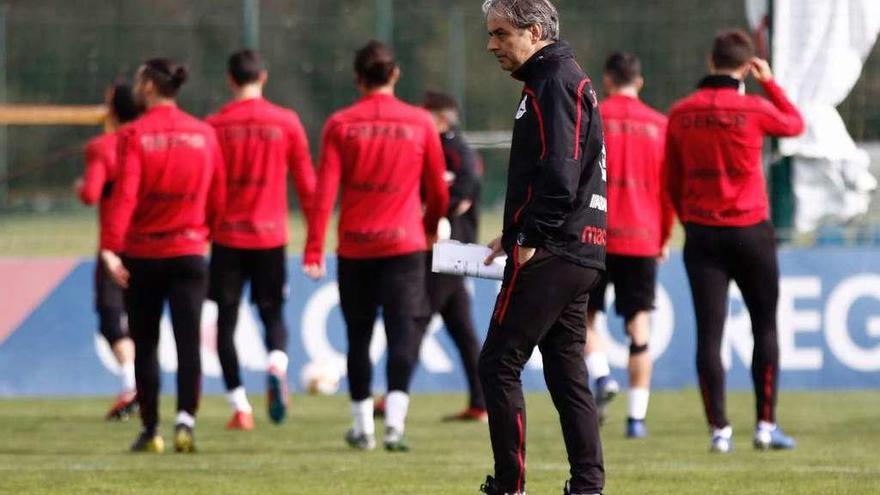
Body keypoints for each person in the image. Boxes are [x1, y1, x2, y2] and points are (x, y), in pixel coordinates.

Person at [478, 1, 606, 493]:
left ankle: (509, 486)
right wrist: (511, 232)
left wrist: (530, 237)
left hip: (554, 247)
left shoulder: (553, 81)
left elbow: (559, 172)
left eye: (500, 34)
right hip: (581, 246)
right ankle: (588, 485)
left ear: (534, 32)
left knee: (499, 363)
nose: (492, 45)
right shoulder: (559, 78)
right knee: (566, 371)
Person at [303, 40, 449, 452]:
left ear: (357, 78)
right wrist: (429, 226)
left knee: (358, 337)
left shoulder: (340, 124)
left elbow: (323, 194)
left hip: (356, 248)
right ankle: (395, 426)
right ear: (395, 75)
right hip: (404, 246)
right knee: (404, 334)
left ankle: (362, 426)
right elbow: (437, 188)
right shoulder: (420, 122)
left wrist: (314, 248)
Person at [664, 30, 804, 453]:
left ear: (711, 61)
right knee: (765, 326)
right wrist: (770, 81)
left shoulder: (681, 112)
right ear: (746, 66)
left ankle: (719, 431)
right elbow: (795, 124)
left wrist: (688, 218)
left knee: (709, 334)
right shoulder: (755, 107)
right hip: (751, 231)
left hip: (703, 233)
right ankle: (765, 426)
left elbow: (671, 178)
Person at [101, 58, 226, 453]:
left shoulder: (133, 135)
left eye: (140, 81)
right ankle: (185, 421)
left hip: (144, 252)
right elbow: (218, 195)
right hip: (189, 250)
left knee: (147, 343)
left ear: (151, 86)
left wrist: (111, 246)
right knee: (189, 343)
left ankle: (151, 428)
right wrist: (203, 232)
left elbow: (125, 196)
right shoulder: (204, 133)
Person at [205, 49, 315, 430]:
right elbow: (306, 183)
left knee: (226, 321)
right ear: (263, 77)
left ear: (231, 80)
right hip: (271, 236)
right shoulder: (285, 121)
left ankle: (240, 407)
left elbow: (205, 185)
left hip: (227, 236)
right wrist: (314, 237)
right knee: (272, 313)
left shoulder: (214, 125)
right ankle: (276, 363)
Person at [583, 52, 673, 438]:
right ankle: (636, 420)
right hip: (642, 235)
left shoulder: (593, 117)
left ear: (606, 81)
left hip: (595, 234)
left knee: (584, 316)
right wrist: (664, 237)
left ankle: (601, 376)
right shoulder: (659, 124)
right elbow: (668, 190)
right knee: (639, 326)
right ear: (640, 81)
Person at [76, 81, 143, 421]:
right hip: (152, 243)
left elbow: (90, 194)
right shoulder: (152, 142)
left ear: (113, 109)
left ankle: (132, 383)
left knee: (111, 320)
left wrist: (82, 186)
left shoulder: (102, 147)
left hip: (114, 248)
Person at [422, 90, 487, 422]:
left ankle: (394, 393)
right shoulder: (432, 147)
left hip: (450, 249)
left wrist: (434, 214)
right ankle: (481, 403)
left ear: (442, 117)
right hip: (442, 250)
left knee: (416, 317)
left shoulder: (457, 151)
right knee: (462, 330)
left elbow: (464, 194)